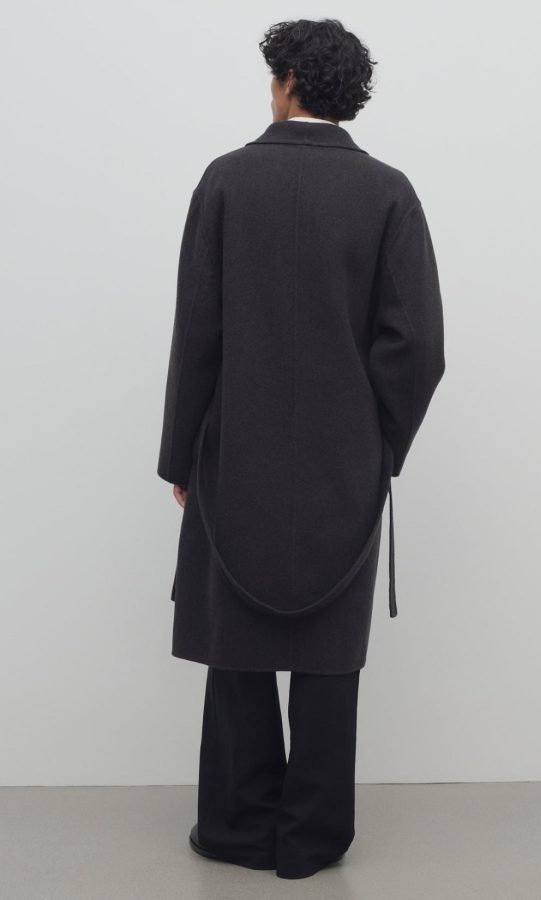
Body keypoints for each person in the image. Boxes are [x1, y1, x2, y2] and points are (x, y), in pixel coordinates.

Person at [157, 17, 445, 880]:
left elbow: (198, 333)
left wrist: (180, 455)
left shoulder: (226, 180)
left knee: (236, 646)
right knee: (328, 658)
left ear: (286, 82)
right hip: (344, 462)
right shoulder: (388, 192)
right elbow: (417, 348)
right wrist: (379, 443)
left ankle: (238, 827)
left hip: (235, 450)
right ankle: (312, 837)